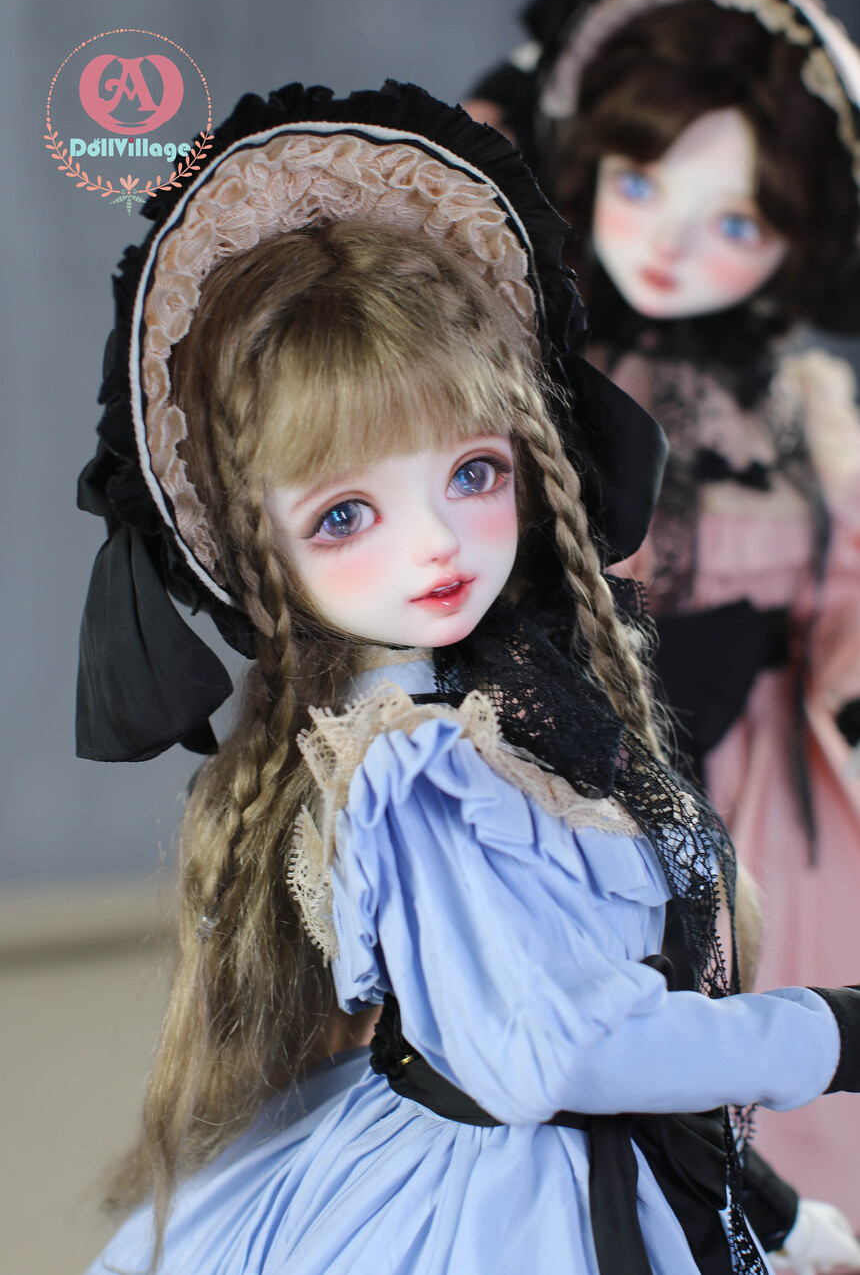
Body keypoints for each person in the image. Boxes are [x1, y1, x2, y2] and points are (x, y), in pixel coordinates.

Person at [77, 80, 860, 1275]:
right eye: (345, 514)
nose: (436, 544)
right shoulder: (416, 766)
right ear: (257, 551)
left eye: (472, 474)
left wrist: (767, 1203)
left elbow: (617, 1026)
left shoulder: (511, 715)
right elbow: (553, 1057)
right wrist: (826, 1034)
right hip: (502, 1210)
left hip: (597, 1168)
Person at [466, 0, 860, 1230]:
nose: (673, 247)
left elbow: (843, 587)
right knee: (593, 1098)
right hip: (579, 786)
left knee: (785, 1081)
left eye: (733, 220)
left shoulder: (798, 405)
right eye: (638, 185)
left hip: (768, 807)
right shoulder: (540, 382)